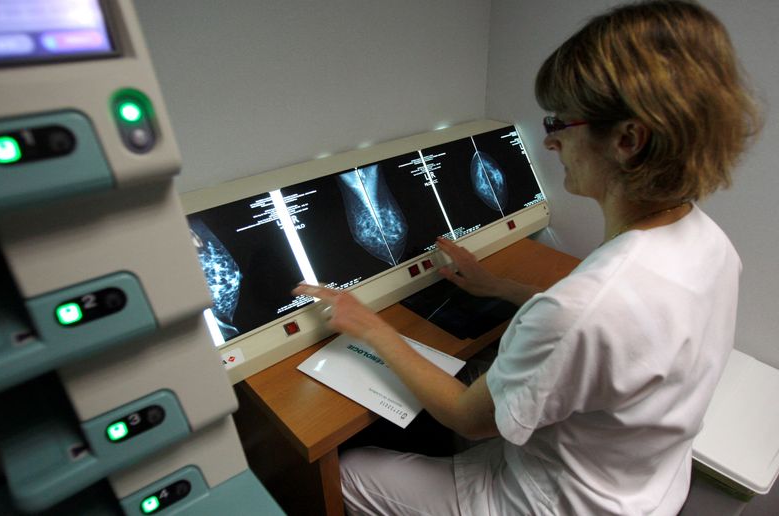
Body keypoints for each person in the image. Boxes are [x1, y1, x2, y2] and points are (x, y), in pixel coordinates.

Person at [293, 0, 762, 514]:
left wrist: (370, 326)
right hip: (645, 484)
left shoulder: (584, 308)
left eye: (561, 122)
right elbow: (620, 332)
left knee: (346, 476)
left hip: (556, 503)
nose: (551, 140)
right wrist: (497, 286)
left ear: (627, 139)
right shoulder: (708, 241)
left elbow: (468, 417)